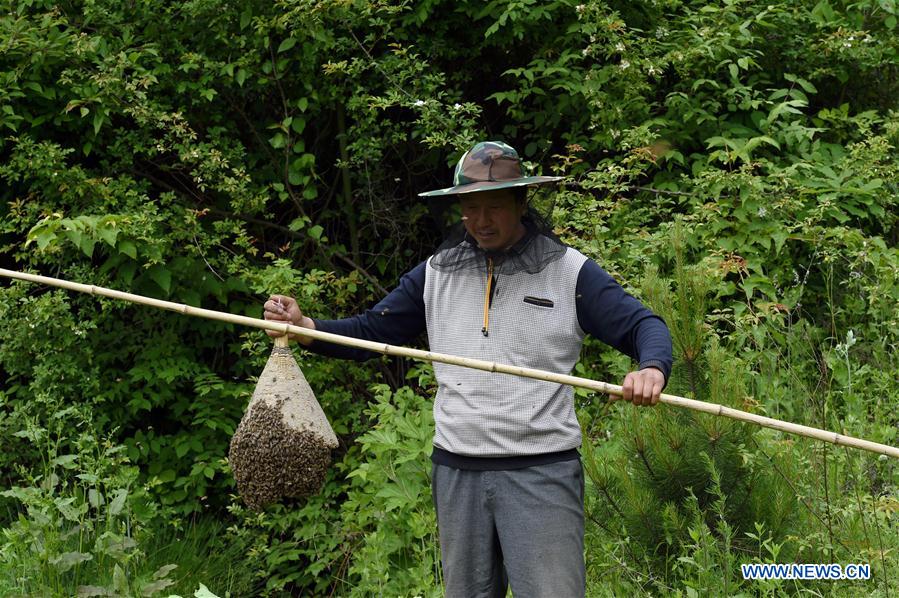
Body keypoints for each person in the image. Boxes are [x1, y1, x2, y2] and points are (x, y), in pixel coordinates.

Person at [263, 140, 673, 597]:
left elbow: (643, 326)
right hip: (457, 473)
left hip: (541, 474)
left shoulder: (569, 272)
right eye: (470, 207)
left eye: (494, 206)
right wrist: (306, 328)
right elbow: (370, 331)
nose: (481, 220)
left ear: (521, 203)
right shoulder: (437, 272)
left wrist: (651, 369)